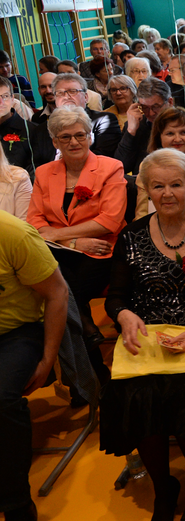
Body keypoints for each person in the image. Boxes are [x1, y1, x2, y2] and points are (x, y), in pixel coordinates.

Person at [101, 149, 185, 521]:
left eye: (176, 184)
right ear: (145, 189)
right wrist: (124, 316)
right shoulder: (131, 235)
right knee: (134, 392)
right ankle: (164, 487)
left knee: (184, 390)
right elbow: (116, 297)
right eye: (157, 186)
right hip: (147, 333)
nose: (168, 193)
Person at [28, 106, 127, 376]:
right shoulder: (44, 173)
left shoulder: (110, 167)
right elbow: (35, 222)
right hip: (62, 253)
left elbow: (110, 221)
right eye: (65, 137)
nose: (73, 142)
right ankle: (92, 362)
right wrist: (74, 243)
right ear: (54, 141)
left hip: (103, 250)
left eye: (80, 135)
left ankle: (84, 376)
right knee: (64, 293)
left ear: (90, 137)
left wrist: (58, 235)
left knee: (61, 296)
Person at [0, 211, 69, 521]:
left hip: (18, 332)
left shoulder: (12, 233)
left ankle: (15, 502)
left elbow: (57, 292)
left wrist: (47, 358)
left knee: (1, 400)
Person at [49, 73, 121, 158]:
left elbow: (104, 155)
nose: (66, 97)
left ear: (86, 97)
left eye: (72, 91)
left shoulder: (104, 120)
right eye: (60, 93)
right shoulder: (42, 129)